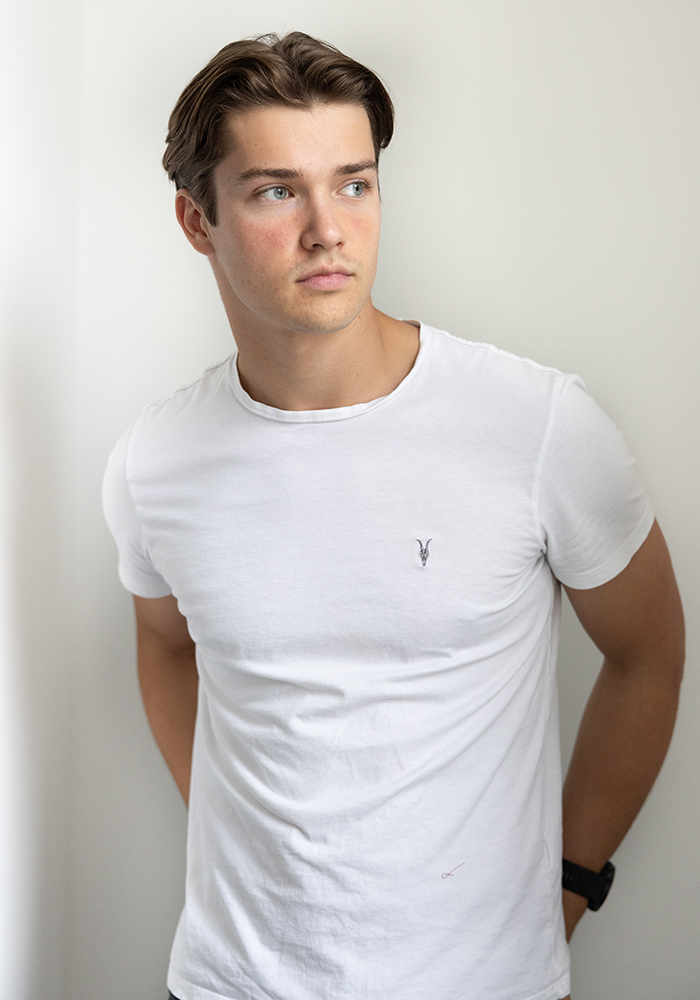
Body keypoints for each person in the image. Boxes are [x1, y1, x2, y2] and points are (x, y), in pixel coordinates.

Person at [102, 31, 684, 1000]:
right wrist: (237, 834)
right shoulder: (154, 460)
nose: (327, 229)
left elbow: (648, 652)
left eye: (354, 183)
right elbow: (163, 649)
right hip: (227, 981)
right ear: (197, 221)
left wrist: (571, 885)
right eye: (276, 191)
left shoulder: (537, 425)